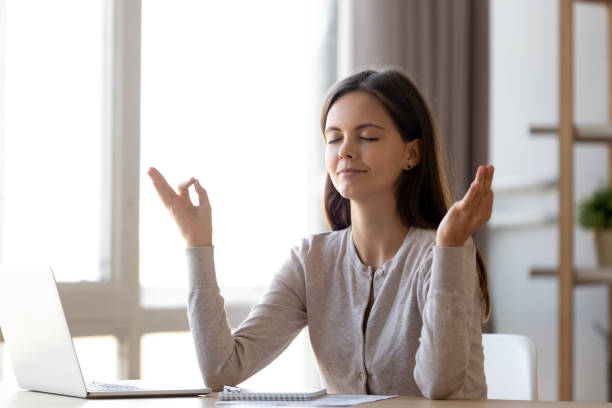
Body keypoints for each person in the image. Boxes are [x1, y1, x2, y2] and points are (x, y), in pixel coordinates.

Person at [147, 68, 494, 400]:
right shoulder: (312, 260)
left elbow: (439, 386)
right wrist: (198, 245)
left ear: (411, 153)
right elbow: (222, 369)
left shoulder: (442, 254)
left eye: (368, 136)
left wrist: (449, 246)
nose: (344, 150)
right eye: (334, 138)